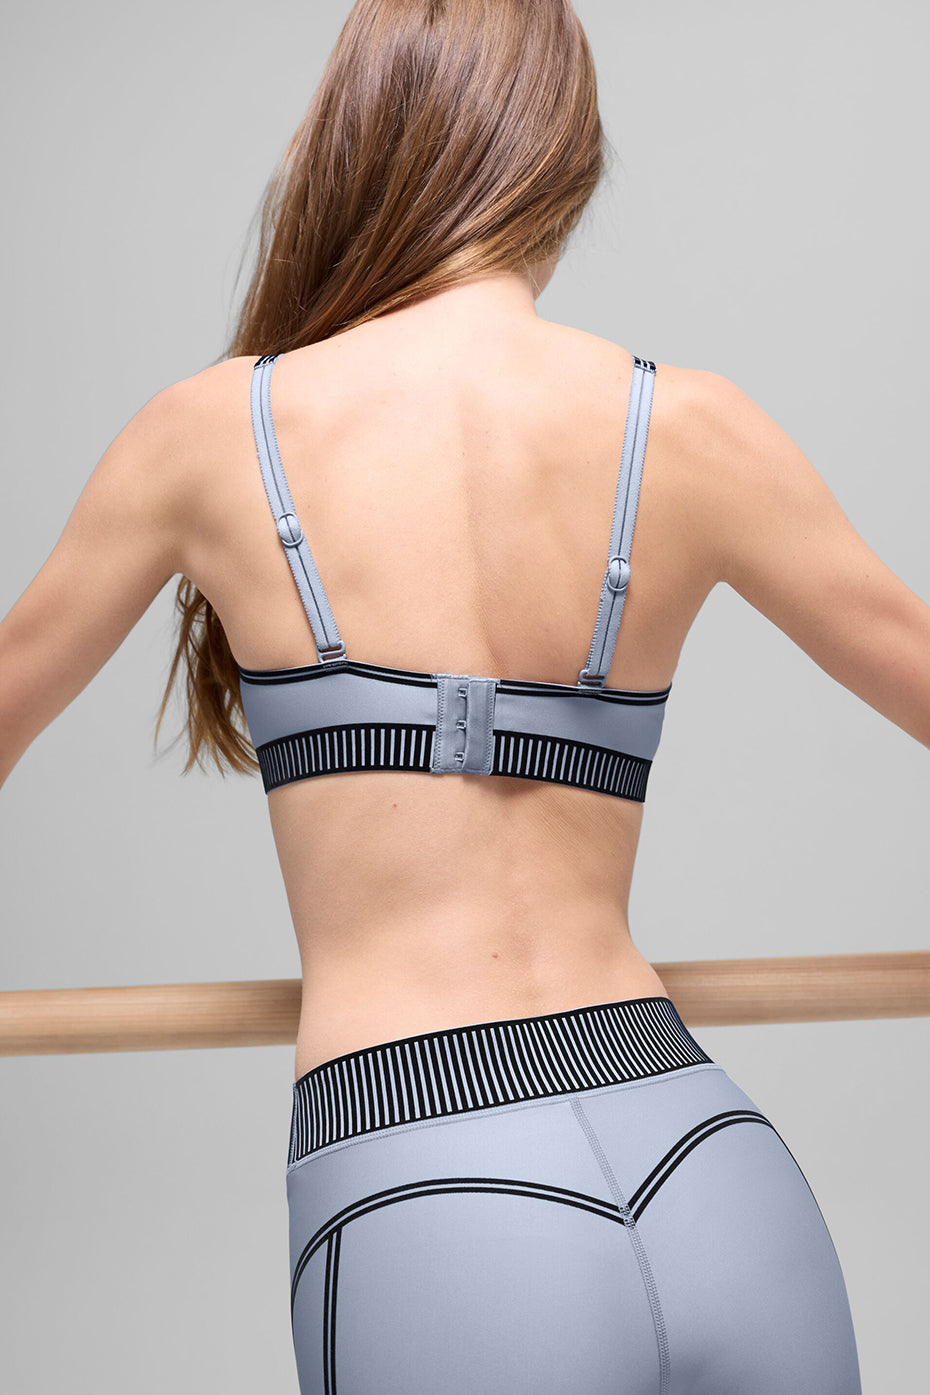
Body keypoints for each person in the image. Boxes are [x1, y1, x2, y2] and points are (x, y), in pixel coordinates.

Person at [2, 1, 928, 1391]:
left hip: (424, 1190)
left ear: (356, 147)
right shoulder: (692, 427)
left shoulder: (213, 433)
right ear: (566, 164)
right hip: (705, 1163)